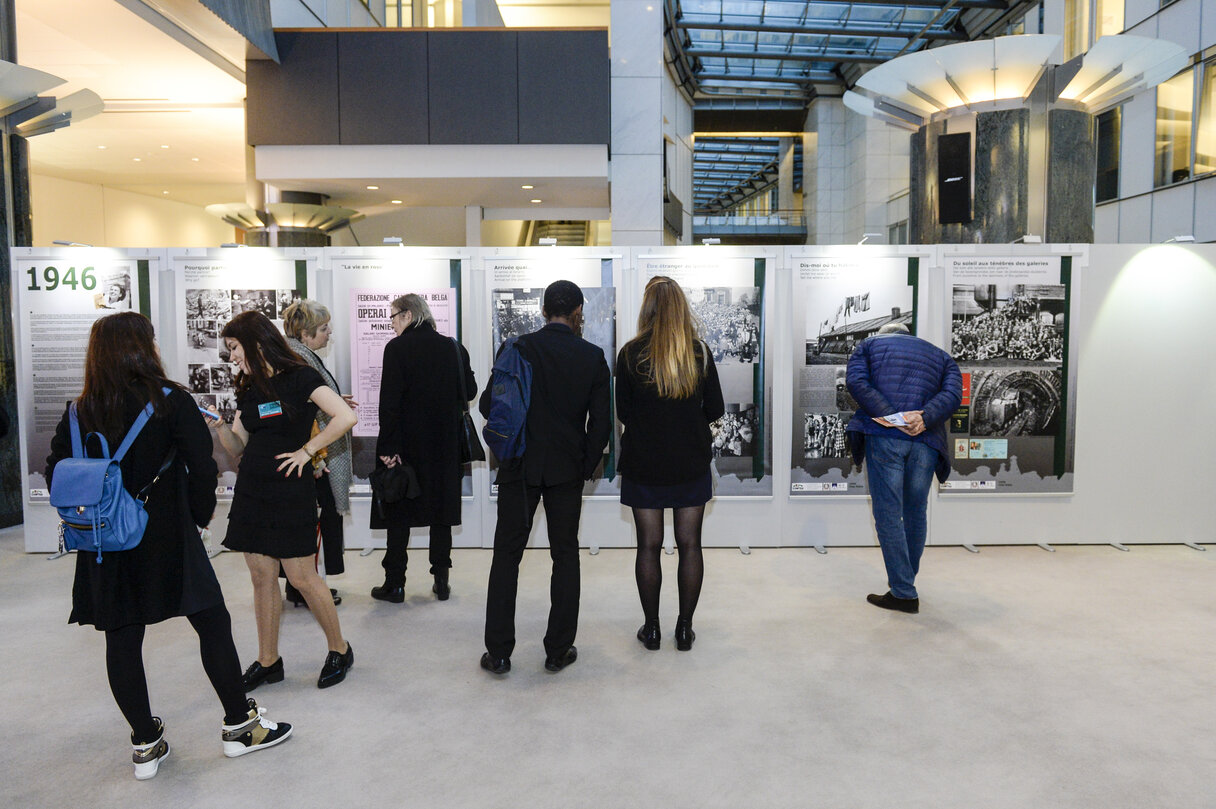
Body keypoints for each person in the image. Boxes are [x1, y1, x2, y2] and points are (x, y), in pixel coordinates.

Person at [45, 312, 291, 781]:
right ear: (144, 347)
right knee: (212, 622)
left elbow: (59, 470)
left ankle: (145, 743)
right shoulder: (169, 400)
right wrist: (197, 518)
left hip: (105, 542)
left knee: (121, 638)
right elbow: (203, 466)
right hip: (167, 535)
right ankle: (241, 726)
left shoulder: (79, 410)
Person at [210, 311, 358, 689]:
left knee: (302, 577)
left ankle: (339, 649)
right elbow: (238, 445)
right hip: (253, 490)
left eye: (234, 348)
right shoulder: (249, 386)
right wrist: (221, 429)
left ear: (256, 343)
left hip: (290, 491)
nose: (231, 357)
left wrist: (307, 451)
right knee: (262, 578)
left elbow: (344, 417)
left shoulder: (300, 376)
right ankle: (268, 660)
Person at [478, 280, 611, 675]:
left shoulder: (517, 348)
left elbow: (488, 404)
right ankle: (558, 650)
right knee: (565, 556)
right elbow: (601, 425)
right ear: (577, 314)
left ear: (542, 311)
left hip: (519, 466)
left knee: (507, 556)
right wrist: (585, 467)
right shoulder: (591, 356)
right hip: (567, 470)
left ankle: (499, 653)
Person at [616, 276, 725, 652]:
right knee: (690, 544)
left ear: (647, 309)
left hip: (644, 461)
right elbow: (716, 409)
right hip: (689, 460)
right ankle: (684, 629)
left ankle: (652, 629)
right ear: (681, 308)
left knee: (648, 546)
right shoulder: (699, 353)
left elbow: (624, 412)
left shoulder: (630, 354)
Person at [845, 322, 962, 614]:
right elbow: (953, 394)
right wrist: (923, 417)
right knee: (914, 510)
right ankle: (906, 582)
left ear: (886, 334)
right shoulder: (940, 355)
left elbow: (857, 382)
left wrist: (892, 416)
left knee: (887, 514)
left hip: (886, 438)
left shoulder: (869, 345)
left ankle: (904, 591)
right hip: (926, 440)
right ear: (909, 336)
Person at [371, 293, 476, 603]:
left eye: (392, 318)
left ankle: (396, 584)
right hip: (444, 445)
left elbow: (389, 403)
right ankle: (441, 581)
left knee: (399, 510)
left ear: (407, 315)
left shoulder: (397, 348)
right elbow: (468, 391)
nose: (391, 325)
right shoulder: (453, 347)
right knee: (441, 511)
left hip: (406, 446)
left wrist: (388, 447)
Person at [282, 299, 357, 609]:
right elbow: (303, 413)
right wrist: (317, 457)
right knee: (311, 522)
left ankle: (301, 586)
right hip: (315, 458)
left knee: (311, 520)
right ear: (305, 332)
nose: (329, 334)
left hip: (313, 455)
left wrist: (333, 400)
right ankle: (304, 587)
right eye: (324, 329)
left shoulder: (297, 355)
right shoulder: (300, 359)